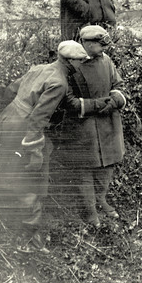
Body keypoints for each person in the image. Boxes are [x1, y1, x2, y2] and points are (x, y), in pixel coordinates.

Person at [0, 41, 90, 253]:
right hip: (23, 129)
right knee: (31, 180)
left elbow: (11, 90)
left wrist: (11, 115)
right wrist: (35, 152)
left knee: (13, 174)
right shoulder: (59, 83)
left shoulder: (39, 68)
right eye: (81, 60)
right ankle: (28, 240)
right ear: (70, 61)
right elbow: (38, 119)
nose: (82, 63)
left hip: (8, 121)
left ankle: (25, 234)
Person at [55, 25, 127, 227]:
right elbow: (67, 100)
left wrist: (114, 102)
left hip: (108, 122)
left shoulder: (106, 61)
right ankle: (89, 210)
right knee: (85, 169)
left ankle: (101, 199)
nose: (104, 49)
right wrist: (94, 106)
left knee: (108, 164)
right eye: (99, 45)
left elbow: (118, 86)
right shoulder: (73, 64)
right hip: (83, 126)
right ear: (86, 43)